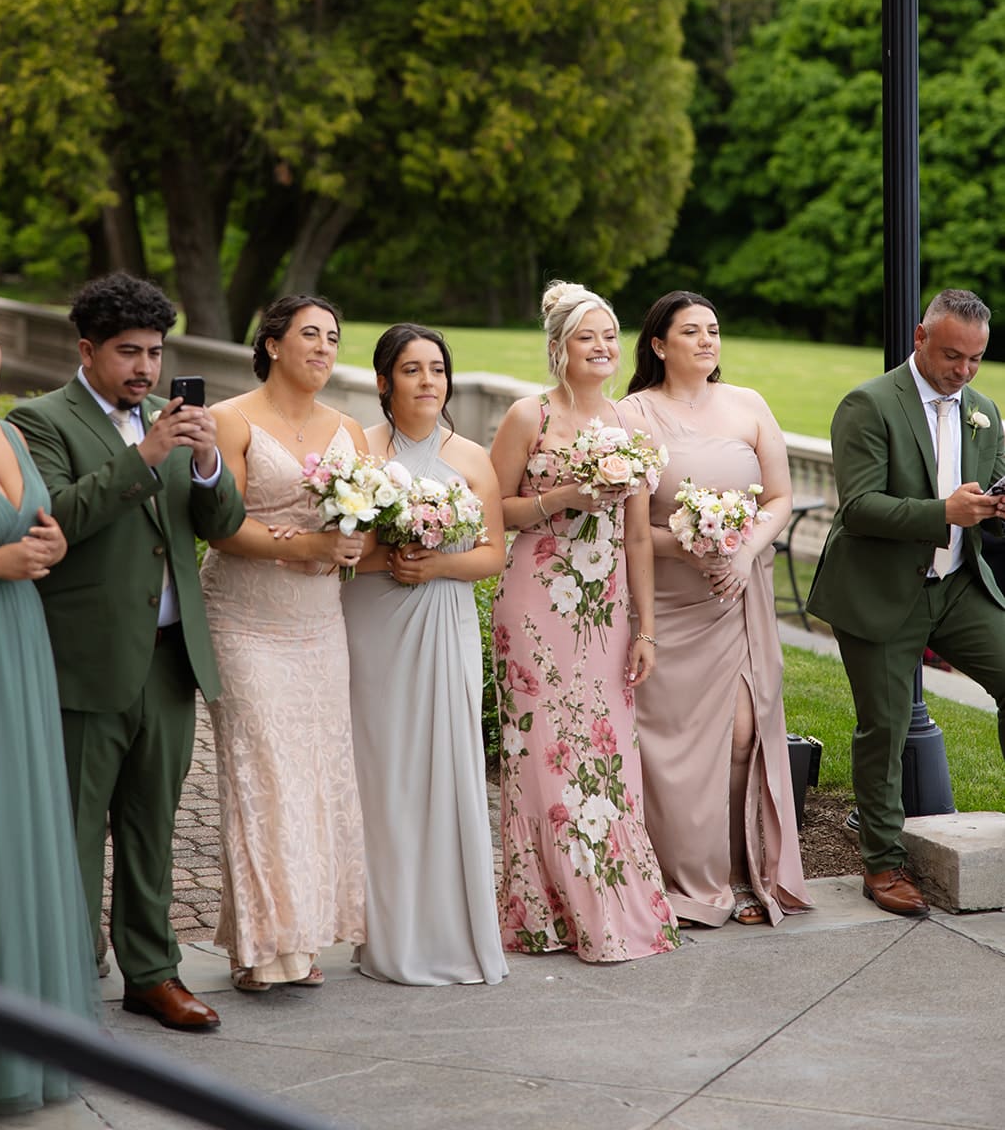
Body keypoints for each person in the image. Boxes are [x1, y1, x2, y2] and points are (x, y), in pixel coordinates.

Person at [10, 273, 244, 1032]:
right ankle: (67, 979)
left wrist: (206, 463)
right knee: (77, 829)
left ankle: (152, 973)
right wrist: (144, 455)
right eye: (127, 352)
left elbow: (221, 519)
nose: (144, 368)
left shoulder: (174, 422)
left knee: (153, 825)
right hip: (87, 657)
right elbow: (56, 523)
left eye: (153, 352)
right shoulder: (37, 421)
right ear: (88, 350)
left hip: (172, 658)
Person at [0, 288, 97, 1125]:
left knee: (14, 825)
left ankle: (16, 1039)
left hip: (16, 645)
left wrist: (49, 543)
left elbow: (37, 527)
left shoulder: (5, 432)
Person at [489, 281, 680, 963]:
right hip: (533, 603)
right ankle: (539, 912)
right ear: (558, 348)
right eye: (585, 337)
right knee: (539, 754)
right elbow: (496, 511)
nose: (601, 348)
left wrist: (645, 628)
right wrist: (568, 495)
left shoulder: (631, 425)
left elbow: (635, 540)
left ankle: (607, 905)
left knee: (603, 752)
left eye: (608, 336)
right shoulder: (528, 416)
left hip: (601, 612)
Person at [808, 288, 1005, 917]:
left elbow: (985, 518)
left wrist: (995, 510)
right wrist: (943, 511)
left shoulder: (983, 410)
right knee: (885, 728)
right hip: (878, 590)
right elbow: (859, 507)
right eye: (952, 355)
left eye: (975, 359)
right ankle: (883, 863)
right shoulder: (868, 404)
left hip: (955, 585)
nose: (963, 371)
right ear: (920, 337)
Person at [617, 291, 811, 927]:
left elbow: (779, 497)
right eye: (691, 332)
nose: (707, 341)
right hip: (666, 602)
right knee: (669, 747)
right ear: (658, 344)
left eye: (714, 331)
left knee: (741, 733)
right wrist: (698, 544)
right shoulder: (633, 416)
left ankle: (741, 869)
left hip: (736, 597)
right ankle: (680, 876)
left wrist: (743, 547)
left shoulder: (749, 405)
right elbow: (633, 525)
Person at [200, 296, 368, 990]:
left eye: (332, 337)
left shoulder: (350, 429)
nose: (323, 348)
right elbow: (220, 526)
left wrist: (353, 546)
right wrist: (310, 542)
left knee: (316, 774)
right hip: (243, 619)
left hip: (317, 621)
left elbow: (364, 522)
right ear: (271, 344)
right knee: (260, 774)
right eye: (309, 335)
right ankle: (260, 946)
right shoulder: (229, 420)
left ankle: (301, 941)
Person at [342, 324, 508, 985]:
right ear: (384, 382)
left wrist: (437, 564)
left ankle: (448, 933)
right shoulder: (358, 453)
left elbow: (493, 553)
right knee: (382, 773)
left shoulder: (470, 457)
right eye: (411, 370)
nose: (427, 382)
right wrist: (390, 559)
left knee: (444, 764)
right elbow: (342, 555)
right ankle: (384, 936)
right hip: (372, 623)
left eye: (436, 369)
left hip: (442, 622)